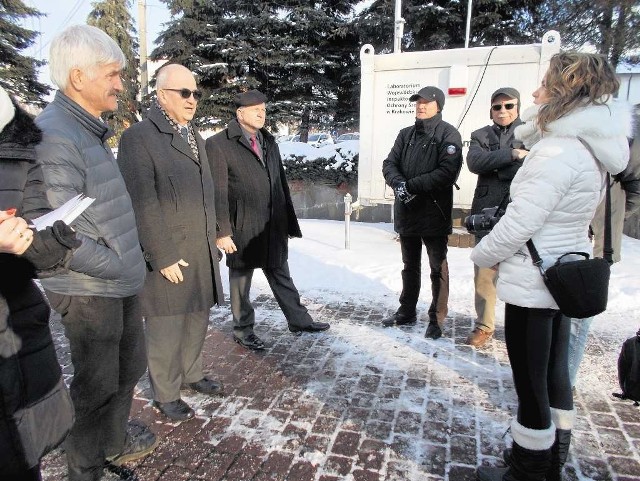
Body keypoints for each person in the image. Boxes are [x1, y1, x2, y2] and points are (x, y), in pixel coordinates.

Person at [471, 52, 630, 481]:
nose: (535, 93)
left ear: (563, 92)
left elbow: (521, 223)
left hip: (534, 282)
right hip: (561, 275)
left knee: (530, 384)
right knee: (555, 375)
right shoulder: (590, 148)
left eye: (544, 84)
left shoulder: (556, 151)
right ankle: (553, 456)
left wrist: (481, 254)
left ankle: (530, 468)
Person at [34, 25, 157, 481]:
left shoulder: (85, 129)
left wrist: (125, 265)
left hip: (115, 280)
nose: (120, 85)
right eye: (113, 74)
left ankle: (110, 444)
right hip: (87, 288)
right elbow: (54, 235)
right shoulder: (54, 136)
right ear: (79, 77)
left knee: (129, 368)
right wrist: (115, 264)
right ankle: (84, 468)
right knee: (96, 387)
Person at [117, 64, 224, 422]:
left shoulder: (195, 137)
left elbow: (207, 194)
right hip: (169, 253)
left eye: (195, 93)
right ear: (163, 95)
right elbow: (142, 202)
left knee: (196, 317)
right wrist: (161, 255)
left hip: (200, 249)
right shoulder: (139, 138)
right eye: (184, 93)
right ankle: (165, 391)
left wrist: (217, 236)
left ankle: (191, 374)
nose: (193, 99)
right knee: (165, 324)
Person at [205, 89, 329, 351]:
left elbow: (280, 183)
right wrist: (222, 231)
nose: (262, 113)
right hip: (241, 226)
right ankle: (242, 329)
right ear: (240, 113)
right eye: (255, 109)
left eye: (264, 108)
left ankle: (299, 320)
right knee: (241, 281)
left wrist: (288, 222)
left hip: (271, 224)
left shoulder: (268, 141)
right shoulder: (218, 144)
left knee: (281, 272)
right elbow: (217, 191)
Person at [0, 86, 78, 481]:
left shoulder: (14, 129)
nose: (119, 84)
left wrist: (55, 240)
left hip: (17, 320)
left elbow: (34, 214)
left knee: (23, 451)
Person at [381, 86, 463, 340]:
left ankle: (436, 318)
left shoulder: (448, 134)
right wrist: (398, 184)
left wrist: (412, 185)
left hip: (434, 212)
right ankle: (406, 311)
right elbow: (389, 163)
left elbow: (447, 173)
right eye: (418, 102)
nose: (421, 105)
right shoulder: (405, 134)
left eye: (426, 102)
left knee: (437, 267)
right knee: (409, 266)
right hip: (407, 211)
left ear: (438, 104)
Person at [567, 106, 640, 386]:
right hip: (568, 234)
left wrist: (611, 218)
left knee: (579, 317)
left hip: (599, 243)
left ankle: (564, 384)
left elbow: (634, 186)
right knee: (562, 314)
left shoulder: (620, 131)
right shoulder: (567, 128)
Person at [465, 87, 528, 348]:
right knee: (484, 272)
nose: (503, 111)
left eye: (508, 105)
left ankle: (522, 327)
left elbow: (535, 162)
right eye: (497, 106)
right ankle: (484, 325)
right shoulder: (480, 134)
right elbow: (475, 163)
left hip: (521, 209)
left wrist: (494, 162)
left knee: (523, 272)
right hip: (487, 209)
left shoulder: (532, 131)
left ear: (518, 107)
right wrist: (512, 155)